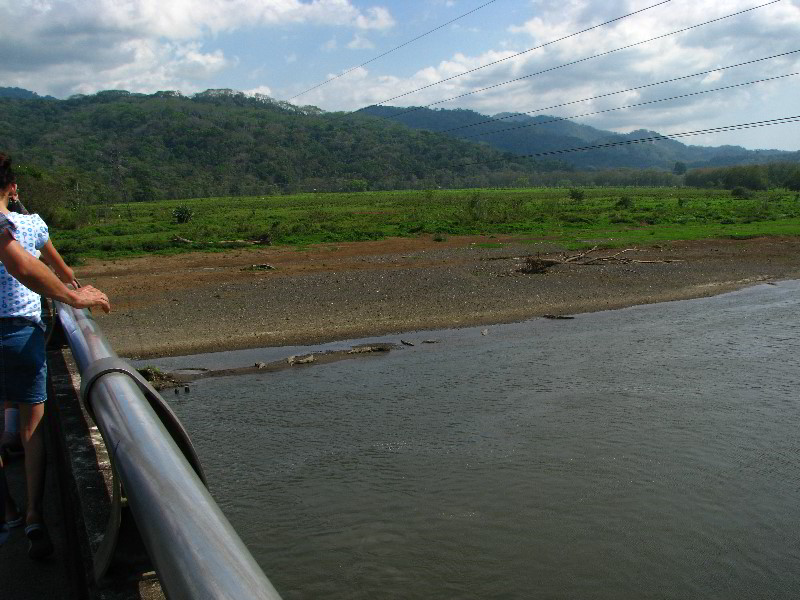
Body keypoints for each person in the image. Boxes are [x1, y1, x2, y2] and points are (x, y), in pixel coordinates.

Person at [0, 152, 110, 558]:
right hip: (17, 329)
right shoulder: (23, 223)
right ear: (12, 188)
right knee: (34, 428)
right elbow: (37, 266)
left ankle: (7, 509)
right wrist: (71, 293)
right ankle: (32, 513)